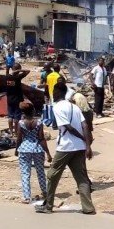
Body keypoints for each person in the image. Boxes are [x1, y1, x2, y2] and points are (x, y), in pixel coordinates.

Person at [35, 82, 95, 215]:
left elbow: (68, 127)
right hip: (79, 147)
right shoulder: (74, 107)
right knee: (82, 177)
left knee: (52, 175)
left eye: (53, 92)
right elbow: (85, 126)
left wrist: (83, 139)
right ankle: (88, 207)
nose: (52, 94)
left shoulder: (58, 107)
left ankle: (48, 206)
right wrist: (87, 145)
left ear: (58, 92)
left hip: (66, 146)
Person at [14, 101, 51, 203]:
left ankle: (26, 197)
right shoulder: (39, 123)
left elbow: (19, 138)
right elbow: (41, 138)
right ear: (33, 110)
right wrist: (48, 153)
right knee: (40, 172)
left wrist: (16, 149)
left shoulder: (21, 123)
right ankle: (45, 192)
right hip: (37, 149)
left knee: (25, 173)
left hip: (24, 149)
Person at [5, 63, 29, 135]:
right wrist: (19, 70)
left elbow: (7, 71)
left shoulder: (7, 77)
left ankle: (11, 132)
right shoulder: (18, 77)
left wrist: (12, 70)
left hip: (9, 99)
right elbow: (28, 71)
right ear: (18, 70)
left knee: (10, 116)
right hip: (18, 100)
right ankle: (16, 132)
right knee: (16, 117)